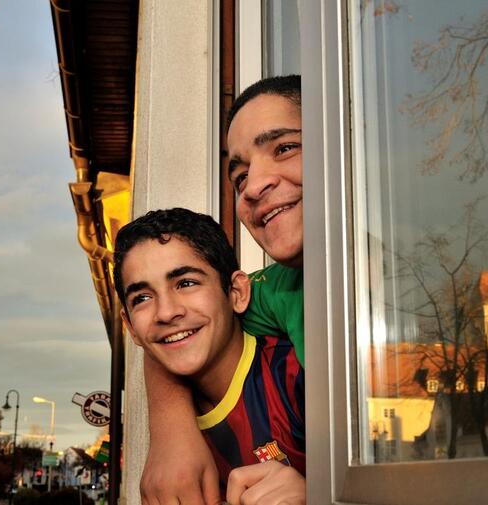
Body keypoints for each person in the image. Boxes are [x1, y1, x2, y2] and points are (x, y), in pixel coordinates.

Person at [141, 75, 304, 505]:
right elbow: (179, 323)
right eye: (240, 174)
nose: (253, 186)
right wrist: (171, 430)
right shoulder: (278, 292)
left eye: (284, 148)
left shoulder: (419, 279)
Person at [115, 208, 306, 504]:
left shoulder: (297, 377)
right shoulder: (173, 448)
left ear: (237, 293)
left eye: (186, 283)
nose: (166, 312)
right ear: (131, 329)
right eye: (142, 298)